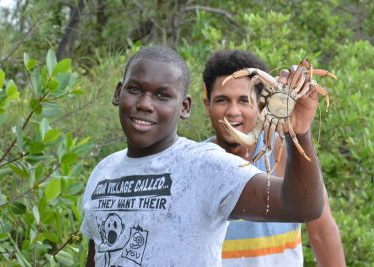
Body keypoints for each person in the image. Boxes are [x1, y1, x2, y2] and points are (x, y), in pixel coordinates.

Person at [81, 45, 324, 267]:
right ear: (118, 93)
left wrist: (298, 133)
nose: (145, 104)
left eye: (162, 95)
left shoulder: (206, 165)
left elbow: (303, 206)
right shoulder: (103, 172)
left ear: (185, 107)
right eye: (135, 89)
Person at [202, 49, 345, 267]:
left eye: (243, 100)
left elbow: (322, 233)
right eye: (222, 100)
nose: (233, 111)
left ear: (260, 104)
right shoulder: (196, 162)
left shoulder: (290, 156)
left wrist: (300, 131)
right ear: (207, 104)